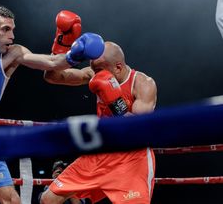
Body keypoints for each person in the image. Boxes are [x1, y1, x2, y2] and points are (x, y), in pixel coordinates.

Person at [0, 5, 105, 204]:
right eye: (6, 29)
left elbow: (51, 63)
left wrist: (72, 55)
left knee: (11, 200)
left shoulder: (13, 54)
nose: (12, 36)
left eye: (13, 29)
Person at [40, 33, 157, 203]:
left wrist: (116, 102)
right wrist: (61, 46)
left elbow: (139, 128)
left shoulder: (143, 84)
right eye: (94, 70)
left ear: (118, 67)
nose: (96, 76)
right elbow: (53, 76)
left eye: (99, 71)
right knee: (48, 200)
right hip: (100, 153)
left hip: (131, 159)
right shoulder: (94, 73)